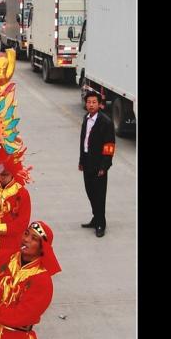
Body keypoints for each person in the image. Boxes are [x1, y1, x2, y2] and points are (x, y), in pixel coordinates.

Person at [78, 91, 116, 238]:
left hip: (99, 164)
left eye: (94, 102)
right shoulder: (85, 119)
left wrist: (104, 166)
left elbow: (109, 146)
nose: (91, 105)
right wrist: (81, 160)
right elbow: (83, 141)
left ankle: (101, 224)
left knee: (99, 195)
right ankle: (96, 218)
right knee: (90, 191)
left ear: (99, 104)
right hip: (87, 161)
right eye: (89, 102)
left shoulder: (105, 122)